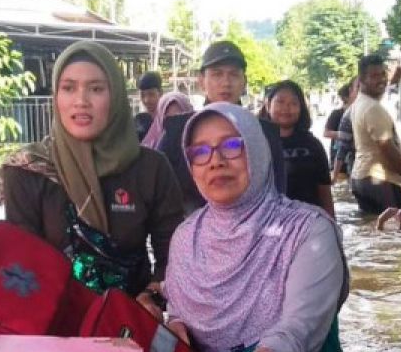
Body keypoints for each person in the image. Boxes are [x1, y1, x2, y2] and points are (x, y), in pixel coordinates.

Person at [163, 102, 359, 352]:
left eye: (232, 145)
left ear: (256, 149)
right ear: (190, 166)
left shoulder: (308, 230)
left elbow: (300, 329)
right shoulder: (186, 237)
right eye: (200, 152)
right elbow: (179, 310)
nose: (216, 161)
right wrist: (174, 325)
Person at [0, 40, 184, 299]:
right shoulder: (27, 170)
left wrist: (151, 297)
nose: (81, 101)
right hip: (52, 322)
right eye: (68, 88)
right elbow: (21, 269)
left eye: (96, 89)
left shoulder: (151, 168)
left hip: (133, 319)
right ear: (56, 97)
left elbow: (173, 256)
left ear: (116, 96)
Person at [158, 40, 286, 212]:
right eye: (217, 74)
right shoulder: (176, 132)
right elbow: (159, 192)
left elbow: (277, 191)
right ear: (201, 81)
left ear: (244, 82)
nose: (226, 82)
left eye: (233, 74)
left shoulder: (265, 132)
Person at [349, 54, 401, 214]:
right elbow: (387, 148)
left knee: (375, 231)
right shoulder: (372, 108)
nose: (381, 79)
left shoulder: (359, 104)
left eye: (383, 74)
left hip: (362, 178)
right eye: (374, 76)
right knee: (396, 231)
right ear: (361, 80)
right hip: (378, 180)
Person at [265, 80, 334, 218]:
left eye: (293, 103)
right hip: (269, 224)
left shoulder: (313, 145)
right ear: (268, 105)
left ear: (301, 108)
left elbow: (325, 192)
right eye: (280, 102)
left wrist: (333, 228)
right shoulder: (256, 142)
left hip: (309, 223)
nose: (286, 108)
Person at [323, 82, 353, 176]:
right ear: (346, 97)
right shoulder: (337, 113)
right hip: (338, 157)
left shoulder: (359, 113)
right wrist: (344, 135)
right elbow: (326, 133)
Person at [134, 71, 162, 141]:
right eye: (142, 95)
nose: (146, 100)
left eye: (151, 94)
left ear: (161, 93)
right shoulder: (137, 122)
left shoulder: (168, 121)